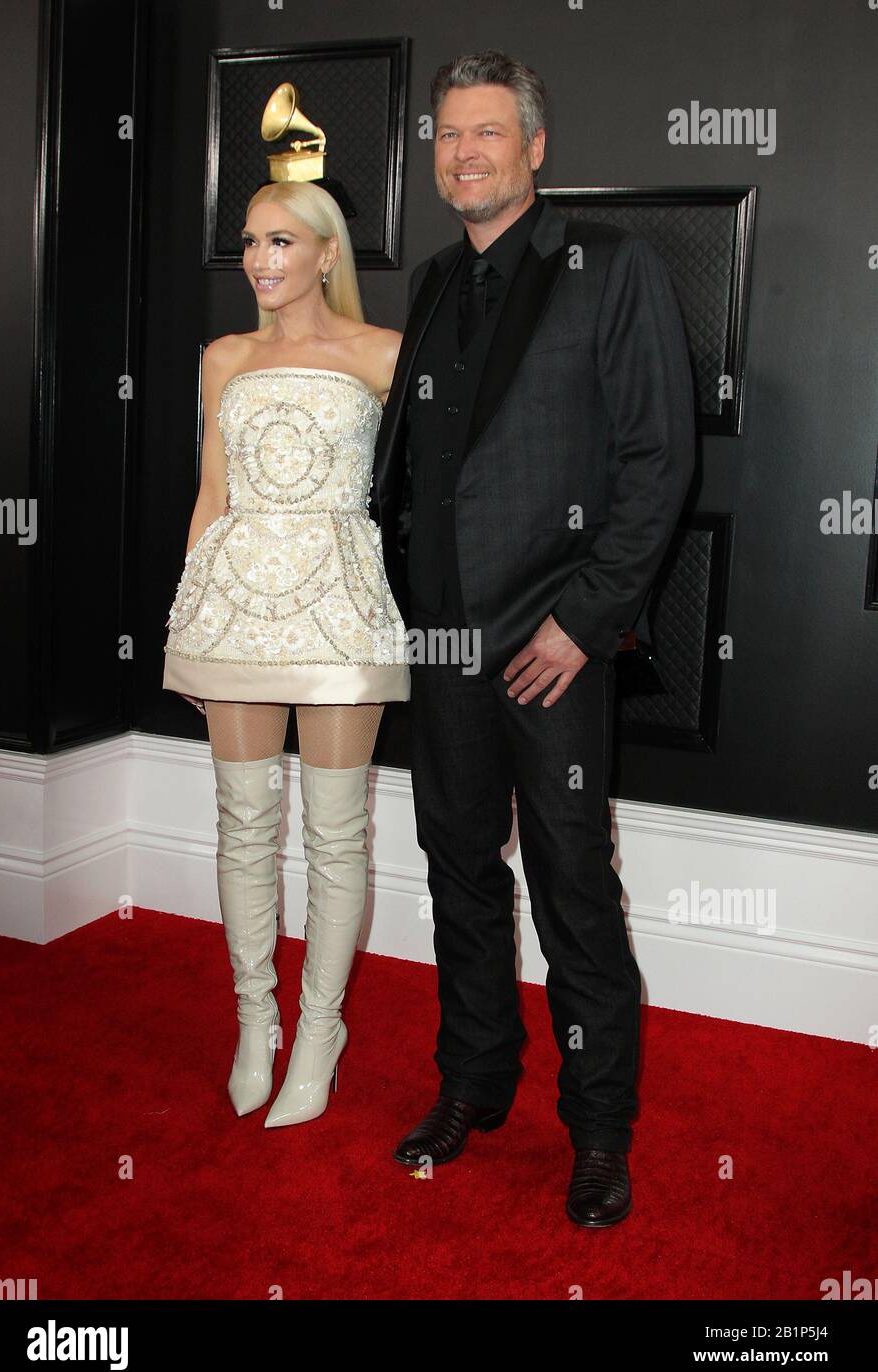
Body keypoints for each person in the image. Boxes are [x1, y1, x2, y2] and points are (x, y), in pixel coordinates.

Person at [370, 50, 695, 1227]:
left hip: (551, 646)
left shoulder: (611, 270)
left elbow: (659, 461)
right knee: (459, 873)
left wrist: (583, 620)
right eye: (448, 135)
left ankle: (599, 1131)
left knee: (572, 890)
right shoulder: (430, 286)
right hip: (443, 643)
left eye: (487, 133)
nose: (464, 152)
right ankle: (474, 1082)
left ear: (534, 146)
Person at [162, 181, 409, 1128]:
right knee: (243, 825)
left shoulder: (383, 354)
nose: (260, 260)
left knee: (337, 832)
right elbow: (211, 493)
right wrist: (190, 619)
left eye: (280, 241)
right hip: (236, 609)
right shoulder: (223, 358)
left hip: (340, 610)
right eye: (250, 242)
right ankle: (253, 1020)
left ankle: (320, 1029)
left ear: (325, 252)